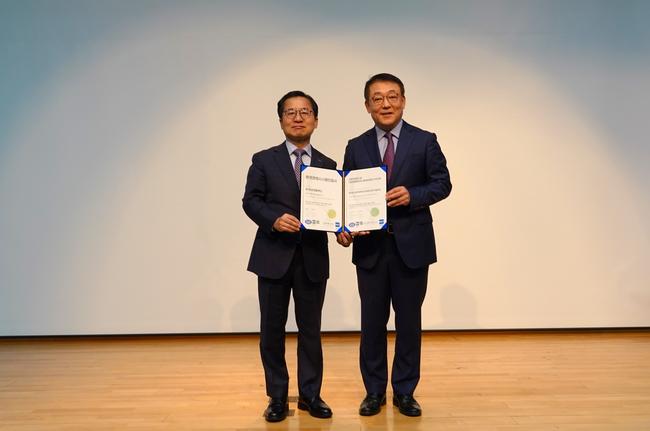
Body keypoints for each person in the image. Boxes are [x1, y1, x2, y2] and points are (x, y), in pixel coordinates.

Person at [337, 73, 451, 417]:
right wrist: (344, 227)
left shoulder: (425, 140)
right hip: (370, 249)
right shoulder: (356, 146)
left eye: (392, 96)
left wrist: (413, 195)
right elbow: (345, 195)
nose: (385, 104)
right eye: (377, 98)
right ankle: (374, 392)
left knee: (409, 323)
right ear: (367, 106)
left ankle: (405, 391)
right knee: (371, 323)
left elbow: (442, 184)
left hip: (412, 247)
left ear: (403, 101)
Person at [242, 90, 336, 422]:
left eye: (305, 112)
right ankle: (277, 397)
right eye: (290, 112)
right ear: (281, 119)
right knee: (272, 331)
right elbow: (251, 201)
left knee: (311, 331)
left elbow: (333, 211)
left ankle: (311, 395)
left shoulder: (328, 165)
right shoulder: (263, 160)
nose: (298, 118)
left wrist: (343, 228)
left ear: (316, 120)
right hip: (272, 257)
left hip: (312, 259)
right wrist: (273, 219)